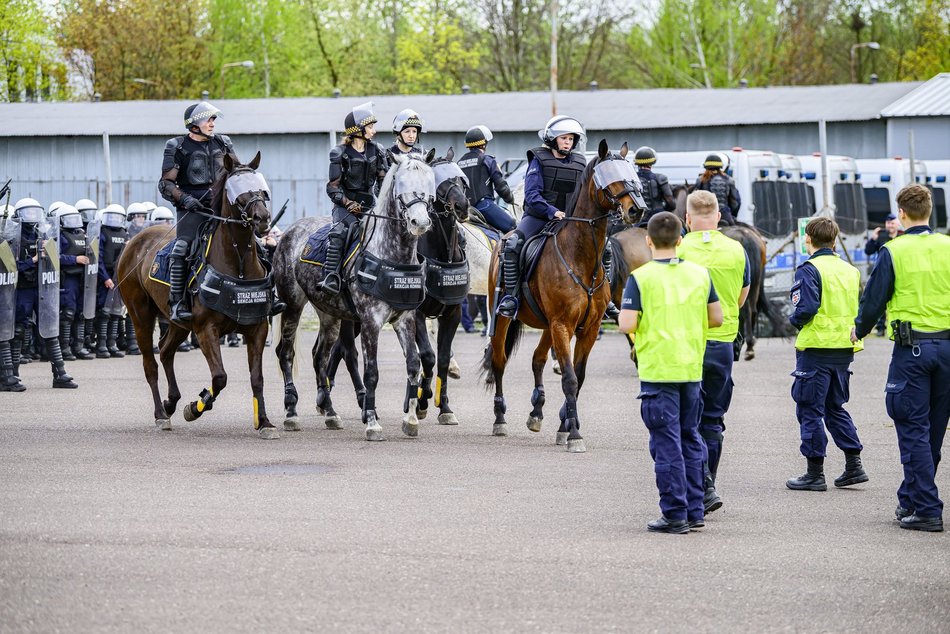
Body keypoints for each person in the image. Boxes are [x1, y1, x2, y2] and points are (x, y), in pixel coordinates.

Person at [853, 184, 950, 532]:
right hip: (948, 351)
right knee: (932, 434)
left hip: (914, 352)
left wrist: (859, 330)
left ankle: (925, 508)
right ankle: (911, 498)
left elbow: (874, 299)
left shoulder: (894, 251)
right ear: (930, 212)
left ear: (903, 215)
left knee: (912, 430)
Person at [619, 211, 723, 533]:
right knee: (691, 438)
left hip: (658, 370)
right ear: (680, 240)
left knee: (665, 443)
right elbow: (716, 318)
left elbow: (627, 324)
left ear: (648, 241)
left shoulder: (641, 277)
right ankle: (695, 511)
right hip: (691, 367)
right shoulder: (700, 275)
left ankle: (674, 513)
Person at [497, 115, 620, 318]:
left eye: (571, 139)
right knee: (513, 245)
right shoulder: (538, 159)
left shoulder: (581, 162)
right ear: (553, 139)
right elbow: (532, 195)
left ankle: (604, 298)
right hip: (539, 217)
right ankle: (511, 297)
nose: (568, 142)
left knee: (604, 248)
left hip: (571, 220)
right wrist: (552, 211)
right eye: (564, 138)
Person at [676, 190, 750, 514]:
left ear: (687, 219)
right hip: (722, 343)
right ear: (719, 216)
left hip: (688, 341)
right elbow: (741, 298)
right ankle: (710, 483)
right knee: (713, 419)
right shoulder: (737, 249)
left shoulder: (679, 249)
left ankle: (701, 483)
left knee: (686, 417)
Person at [785, 217, 867, 492]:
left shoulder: (809, 269)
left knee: (809, 408)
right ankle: (853, 464)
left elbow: (805, 308)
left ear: (807, 238)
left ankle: (814, 472)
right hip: (844, 348)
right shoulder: (849, 270)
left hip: (816, 348)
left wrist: (792, 320)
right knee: (835, 406)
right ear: (835, 240)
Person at [158, 101, 233, 323]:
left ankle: (267, 294)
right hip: (192, 209)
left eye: (214, 119)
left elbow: (236, 171)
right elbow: (165, 184)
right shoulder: (177, 146)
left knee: (254, 240)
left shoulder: (224, 142)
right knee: (182, 247)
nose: (212, 123)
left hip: (221, 207)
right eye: (208, 119)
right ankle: (177, 302)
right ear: (194, 125)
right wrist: (186, 199)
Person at [317, 102, 388, 295]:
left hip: (370, 206)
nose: (374, 130)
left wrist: (383, 204)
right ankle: (330, 276)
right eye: (370, 126)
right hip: (344, 207)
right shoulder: (338, 153)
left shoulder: (378, 150)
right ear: (358, 130)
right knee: (340, 232)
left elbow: (383, 183)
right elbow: (332, 187)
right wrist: (348, 203)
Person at [11, 198, 78, 389]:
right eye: (28, 212)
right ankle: (12, 374)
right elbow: (12, 267)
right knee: (18, 330)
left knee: (49, 328)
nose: (32, 216)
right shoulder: (14, 238)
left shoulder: (42, 234)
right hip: (23, 289)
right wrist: (33, 259)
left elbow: (55, 259)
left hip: (42, 287)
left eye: (35, 212)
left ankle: (60, 373)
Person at [54, 204, 95, 361]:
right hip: (68, 278)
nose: (73, 222)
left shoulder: (82, 235)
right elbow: (54, 257)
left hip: (81, 278)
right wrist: (75, 259)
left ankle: (78, 346)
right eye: (69, 219)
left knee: (80, 313)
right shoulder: (59, 236)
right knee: (68, 313)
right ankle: (64, 348)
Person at [457, 125, 516, 233]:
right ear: (484, 144)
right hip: (484, 206)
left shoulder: (459, 163)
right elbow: (501, 187)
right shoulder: (488, 160)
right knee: (512, 226)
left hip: (465, 210)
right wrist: (510, 199)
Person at [94, 204, 128, 359]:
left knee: (116, 313)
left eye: (117, 216)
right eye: (111, 216)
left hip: (119, 277)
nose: (114, 220)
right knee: (104, 312)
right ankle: (101, 345)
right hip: (105, 278)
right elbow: (98, 258)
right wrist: (106, 278)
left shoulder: (124, 234)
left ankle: (112, 344)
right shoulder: (103, 233)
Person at [864, 213, 904, 336]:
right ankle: (881, 327)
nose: (890, 226)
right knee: (881, 300)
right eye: (888, 223)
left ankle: (899, 326)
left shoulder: (903, 236)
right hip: (884, 273)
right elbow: (868, 251)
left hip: (900, 272)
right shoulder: (881, 236)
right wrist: (873, 239)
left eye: (892, 223)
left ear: (898, 224)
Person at [634, 146, 676, 227]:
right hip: (658, 217)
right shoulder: (660, 178)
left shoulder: (631, 178)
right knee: (681, 231)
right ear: (652, 162)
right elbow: (671, 203)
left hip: (638, 220)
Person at [695, 154, 739, 226]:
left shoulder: (700, 180)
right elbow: (735, 203)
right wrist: (732, 215)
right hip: (725, 214)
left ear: (706, 167)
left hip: (707, 215)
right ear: (720, 167)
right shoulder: (729, 180)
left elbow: (696, 200)